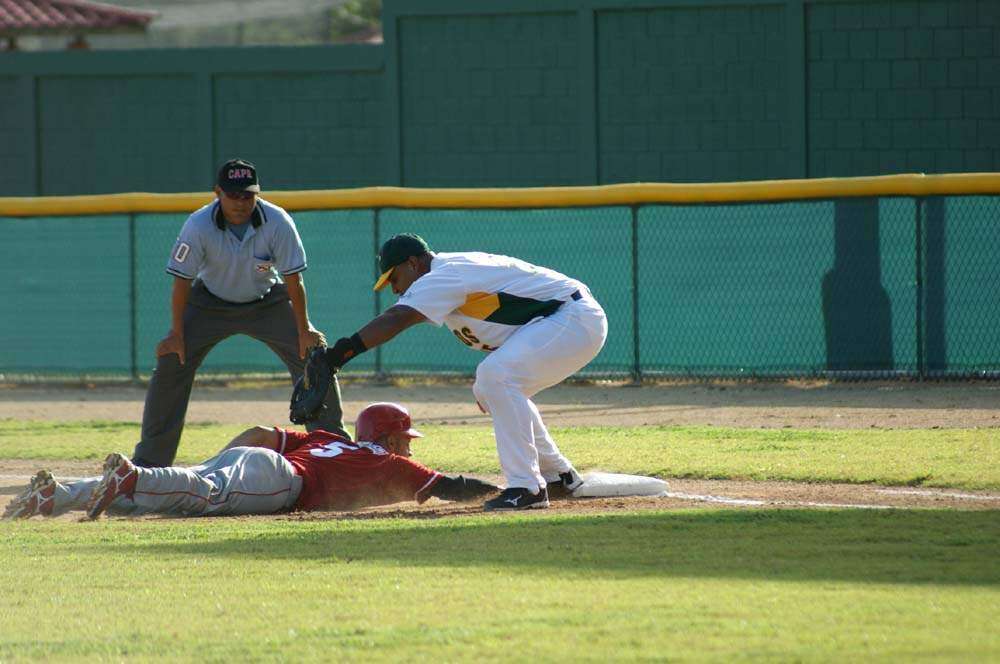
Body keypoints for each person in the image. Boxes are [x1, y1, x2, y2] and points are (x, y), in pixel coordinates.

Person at [310, 233, 608, 511]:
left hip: (573, 318)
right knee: (490, 384)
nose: (395, 288)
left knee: (496, 377)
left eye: (395, 278)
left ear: (413, 263)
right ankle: (557, 474)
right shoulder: (444, 276)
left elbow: (397, 318)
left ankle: (527, 488)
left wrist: (337, 355)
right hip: (563, 319)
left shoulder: (443, 275)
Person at [132, 158, 347, 468]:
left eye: (248, 195)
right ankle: (149, 466)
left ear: (257, 194)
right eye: (233, 195)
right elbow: (182, 282)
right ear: (217, 193)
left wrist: (304, 329)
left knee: (313, 356)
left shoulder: (277, 221)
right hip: (208, 303)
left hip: (267, 301)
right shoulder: (198, 225)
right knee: (171, 359)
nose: (241, 202)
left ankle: (335, 453)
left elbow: (293, 280)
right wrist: (175, 333)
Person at [3, 403, 499, 519]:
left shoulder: (329, 438)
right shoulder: (391, 466)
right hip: (282, 481)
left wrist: (214, 460)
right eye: (405, 438)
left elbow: (263, 433)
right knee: (207, 495)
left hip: (252, 454)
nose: (410, 447)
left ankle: (55, 494)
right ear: (388, 439)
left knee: (170, 496)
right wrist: (510, 491)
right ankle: (136, 476)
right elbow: (451, 486)